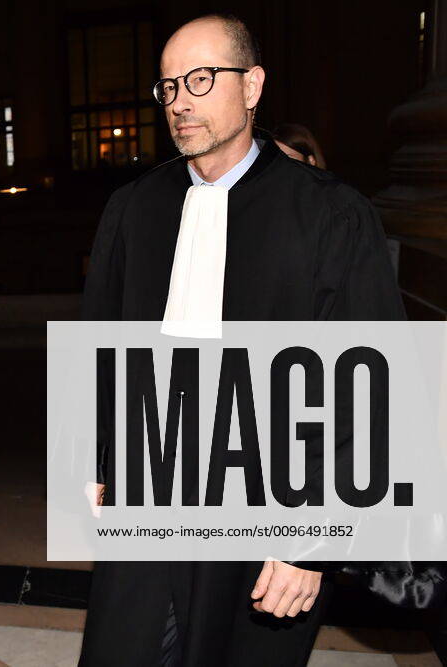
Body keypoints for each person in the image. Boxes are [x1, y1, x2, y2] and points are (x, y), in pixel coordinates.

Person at [79, 14, 404, 667]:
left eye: (200, 79)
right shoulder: (134, 209)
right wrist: (90, 459)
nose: (180, 102)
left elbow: (370, 387)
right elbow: (99, 343)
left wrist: (315, 540)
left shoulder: (330, 214)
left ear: (252, 86)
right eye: (168, 86)